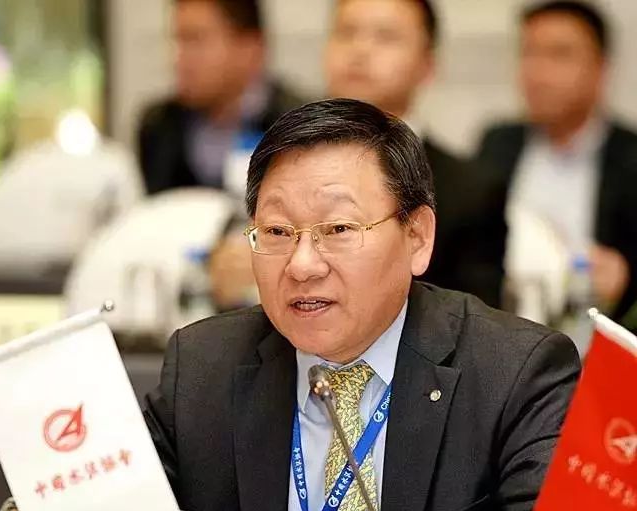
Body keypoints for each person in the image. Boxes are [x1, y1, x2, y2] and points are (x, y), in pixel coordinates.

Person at [145, 99, 579, 511]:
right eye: (277, 233)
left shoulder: (515, 367)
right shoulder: (203, 365)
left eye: (338, 230)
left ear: (417, 237)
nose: (303, 265)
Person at [324, 0, 508, 307]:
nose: (360, 50)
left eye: (385, 37)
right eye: (347, 32)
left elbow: (476, 321)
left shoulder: (470, 190)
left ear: (427, 65)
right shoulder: (283, 165)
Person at [477, 0, 637, 325]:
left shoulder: (630, 157)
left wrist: (626, 279)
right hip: (505, 327)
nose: (538, 73)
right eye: (529, 53)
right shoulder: (497, 144)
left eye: (559, 55)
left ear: (601, 69)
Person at [138, 0, 305, 195]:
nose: (178, 58)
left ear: (251, 47)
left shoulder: (300, 127)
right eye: (177, 40)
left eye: (195, 40)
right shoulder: (158, 127)